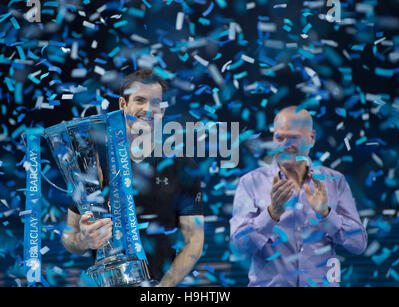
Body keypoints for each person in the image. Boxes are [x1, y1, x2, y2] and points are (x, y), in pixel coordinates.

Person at [62, 69, 204, 287]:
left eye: (155, 102)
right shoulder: (94, 163)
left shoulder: (182, 165)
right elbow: (69, 239)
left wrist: (163, 289)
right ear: (122, 104)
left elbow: (194, 240)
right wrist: (84, 240)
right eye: (139, 100)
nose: (148, 109)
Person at [230, 106, 367, 287]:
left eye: (293, 137)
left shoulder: (334, 181)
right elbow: (239, 247)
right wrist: (271, 214)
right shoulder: (251, 182)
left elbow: (359, 245)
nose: (286, 145)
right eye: (280, 137)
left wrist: (326, 214)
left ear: (311, 138)